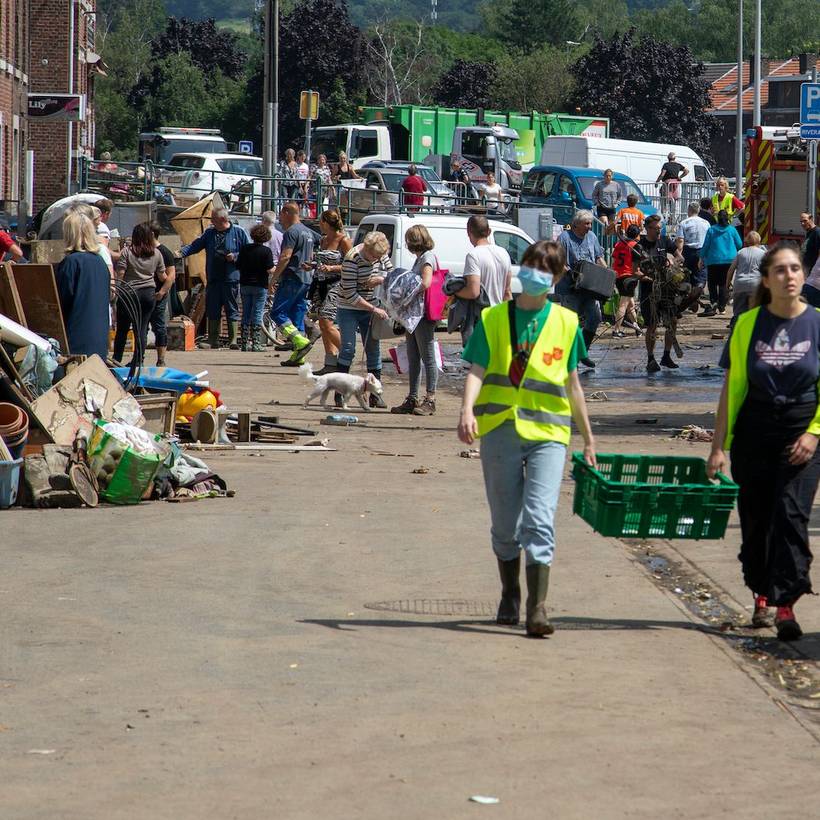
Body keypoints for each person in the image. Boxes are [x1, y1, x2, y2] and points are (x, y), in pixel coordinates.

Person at [458, 240, 597, 636]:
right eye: (530, 265)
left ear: (555, 278)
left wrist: (587, 439)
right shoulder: (493, 319)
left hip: (549, 434)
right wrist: (467, 410)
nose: (535, 273)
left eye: (545, 269)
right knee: (505, 525)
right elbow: (477, 370)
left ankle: (538, 609)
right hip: (500, 428)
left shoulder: (567, 323)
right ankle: (510, 593)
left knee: (539, 518)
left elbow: (573, 386)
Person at [708, 242, 820, 641]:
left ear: (803, 277)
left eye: (795, 269)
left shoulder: (818, 323)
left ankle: (786, 603)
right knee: (756, 518)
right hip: (754, 432)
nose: (789, 276)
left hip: (801, 433)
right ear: (768, 280)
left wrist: (813, 433)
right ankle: (761, 595)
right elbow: (733, 388)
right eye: (780, 270)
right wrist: (718, 446)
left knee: (791, 516)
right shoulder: (748, 324)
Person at [180, 207, 251, 350]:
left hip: (230, 278)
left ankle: (233, 340)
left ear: (223, 220)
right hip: (213, 277)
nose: (211, 221)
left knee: (232, 308)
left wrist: (235, 256)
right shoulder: (209, 233)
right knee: (213, 308)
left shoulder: (239, 232)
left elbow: (249, 252)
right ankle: (213, 339)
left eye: (213, 218)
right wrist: (179, 253)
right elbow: (195, 246)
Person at [337, 231, 393, 408]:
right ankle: (340, 393)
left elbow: (392, 274)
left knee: (373, 349)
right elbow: (350, 294)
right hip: (349, 307)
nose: (375, 259)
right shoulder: (351, 259)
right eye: (373, 256)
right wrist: (373, 308)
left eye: (379, 257)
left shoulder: (380, 255)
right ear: (366, 248)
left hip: (371, 307)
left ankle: (375, 395)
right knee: (348, 349)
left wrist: (381, 279)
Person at [391, 225, 439, 417]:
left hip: (423, 315)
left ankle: (431, 399)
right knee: (413, 356)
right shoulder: (421, 258)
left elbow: (426, 283)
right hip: (413, 315)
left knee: (427, 357)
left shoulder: (427, 258)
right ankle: (412, 397)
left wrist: (406, 294)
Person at [268, 202, 320, 365]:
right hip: (305, 279)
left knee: (277, 312)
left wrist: (274, 278)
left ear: (286, 212)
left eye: (281, 215)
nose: (280, 219)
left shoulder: (291, 232)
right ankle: (299, 356)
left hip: (292, 277)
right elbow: (322, 242)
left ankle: (299, 340)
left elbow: (285, 257)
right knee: (297, 315)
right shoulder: (307, 231)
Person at [55, 211, 112, 359]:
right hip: (99, 339)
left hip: (76, 339)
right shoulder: (100, 262)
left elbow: (61, 301)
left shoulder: (71, 262)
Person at [555, 210, 606, 368]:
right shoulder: (564, 238)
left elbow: (598, 257)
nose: (589, 227)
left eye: (590, 223)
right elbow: (558, 261)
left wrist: (607, 274)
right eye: (586, 224)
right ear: (576, 224)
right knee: (572, 324)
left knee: (595, 318)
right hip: (569, 288)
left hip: (589, 287)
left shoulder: (592, 237)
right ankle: (570, 359)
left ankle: (582, 352)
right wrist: (571, 273)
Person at [453, 215, 512, 344]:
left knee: (479, 362)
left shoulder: (473, 256)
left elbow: (473, 292)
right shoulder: (504, 253)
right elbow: (507, 292)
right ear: (489, 231)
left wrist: (455, 292)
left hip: (482, 320)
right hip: (500, 317)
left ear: (469, 233)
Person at [636, 213, 684, 372]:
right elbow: (633, 270)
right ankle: (650, 358)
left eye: (660, 228)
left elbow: (679, 257)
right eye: (656, 228)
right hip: (649, 291)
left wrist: (673, 263)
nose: (659, 231)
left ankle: (666, 355)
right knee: (652, 325)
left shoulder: (665, 241)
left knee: (672, 322)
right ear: (647, 228)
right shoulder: (640, 246)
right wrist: (647, 278)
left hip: (666, 289)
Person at [113, 222, 166, 366]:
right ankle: (138, 361)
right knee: (141, 328)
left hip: (129, 294)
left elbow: (121, 274)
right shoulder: (157, 253)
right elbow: (162, 277)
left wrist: (116, 292)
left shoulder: (127, 252)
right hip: (148, 294)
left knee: (123, 329)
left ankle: (116, 360)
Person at [311, 210, 352, 375]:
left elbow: (351, 265)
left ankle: (348, 352)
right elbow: (321, 262)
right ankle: (330, 363)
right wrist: (312, 265)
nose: (319, 224)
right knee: (322, 324)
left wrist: (332, 268)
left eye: (321, 221)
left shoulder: (344, 240)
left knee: (327, 323)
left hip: (336, 286)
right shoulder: (323, 240)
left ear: (326, 222)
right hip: (320, 285)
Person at [237, 223, 275, 352]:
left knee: (246, 313)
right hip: (260, 285)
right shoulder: (266, 251)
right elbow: (270, 269)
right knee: (257, 313)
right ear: (266, 237)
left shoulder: (244, 249)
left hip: (245, 284)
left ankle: (243, 343)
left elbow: (238, 265)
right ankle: (256, 343)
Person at [700, 209, 742, 317]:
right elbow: (739, 244)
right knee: (724, 283)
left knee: (712, 283)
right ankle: (722, 307)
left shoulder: (711, 230)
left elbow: (706, 245)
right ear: (727, 218)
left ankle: (714, 303)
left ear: (717, 219)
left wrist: (701, 257)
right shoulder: (732, 230)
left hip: (713, 260)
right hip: (729, 260)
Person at [149, 222, 176, 366]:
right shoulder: (144, 250)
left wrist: (162, 292)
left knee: (159, 326)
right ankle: (139, 358)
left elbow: (171, 276)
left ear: (152, 234)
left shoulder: (164, 252)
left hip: (159, 295)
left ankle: (161, 359)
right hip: (146, 294)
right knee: (142, 326)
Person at [611, 224, 642, 337]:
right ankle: (616, 330)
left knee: (630, 304)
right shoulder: (635, 246)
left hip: (618, 276)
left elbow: (614, 258)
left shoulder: (619, 243)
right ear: (637, 235)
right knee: (623, 304)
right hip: (629, 276)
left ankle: (637, 327)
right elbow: (637, 263)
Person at [726, 231, 765, 322]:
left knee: (739, 312)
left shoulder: (741, 252)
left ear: (747, 241)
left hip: (740, 285)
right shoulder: (763, 253)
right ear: (759, 241)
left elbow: (731, 269)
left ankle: (737, 330)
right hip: (756, 286)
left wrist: (728, 283)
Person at [676, 202, 710, 288]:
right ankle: (698, 293)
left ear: (689, 210)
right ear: (698, 211)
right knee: (701, 274)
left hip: (688, 252)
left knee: (687, 274)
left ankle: (689, 294)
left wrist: (678, 255)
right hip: (702, 251)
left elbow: (680, 240)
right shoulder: (706, 223)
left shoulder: (683, 223)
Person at [656, 152, 688, 216]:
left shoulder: (666, 165)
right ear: (675, 158)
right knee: (673, 200)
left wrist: (657, 181)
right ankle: (672, 216)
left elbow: (662, 174)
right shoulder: (678, 165)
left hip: (667, 184)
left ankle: (664, 215)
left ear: (668, 158)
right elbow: (687, 171)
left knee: (664, 200)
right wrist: (679, 177)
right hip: (675, 184)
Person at [799, 212, 820, 306]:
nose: (802, 224)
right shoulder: (809, 233)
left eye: (805, 221)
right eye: (801, 221)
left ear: (811, 219)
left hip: (812, 276)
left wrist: (814, 272)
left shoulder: (817, 232)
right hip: (806, 274)